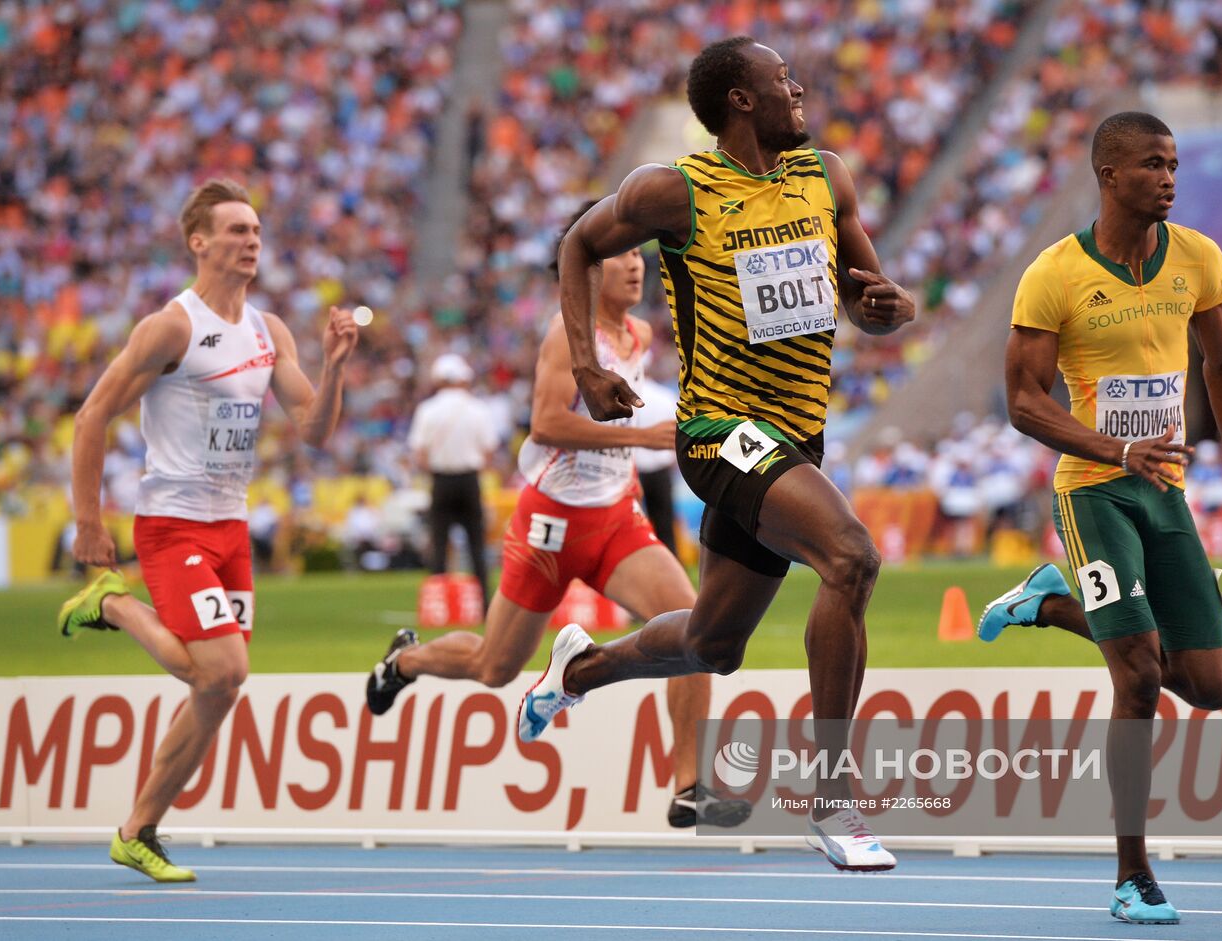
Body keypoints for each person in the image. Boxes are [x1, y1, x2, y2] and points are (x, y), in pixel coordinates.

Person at [516, 36, 915, 872]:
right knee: (850, 557)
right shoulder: (675, 190)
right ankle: (835, 802)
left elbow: (861, 289)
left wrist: (883, 305)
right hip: (718, 430)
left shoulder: (825, 176)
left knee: (713, 642)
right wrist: (586, 365)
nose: (798, 87)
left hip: (796, 431)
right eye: (782, 79)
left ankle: (578, 671)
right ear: (740, 98)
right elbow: (578, 245)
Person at [976, 112, 1222, 924]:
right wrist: (1116, 451)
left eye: (1175, 163)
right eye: (1153, 164)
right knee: (1141, 676)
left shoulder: (1199, 258)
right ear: (1110, 176)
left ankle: (1049, 601)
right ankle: (1131, 872)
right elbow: (1022, 401)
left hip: (1167, 489)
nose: (1170, 177)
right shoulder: (1054, 274)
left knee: (1211, 688)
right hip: (1094, 489)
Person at [365, 215, 751, 829]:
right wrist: (648, 434)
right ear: (587, 270)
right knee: (495, 668)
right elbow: (545, 424)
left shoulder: (640, 333)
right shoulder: (562, 336)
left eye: (638, 253)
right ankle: (404, 663)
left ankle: (689, 787)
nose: (635, 264)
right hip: (550, 523)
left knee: (697, 633)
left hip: (616, 518)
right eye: (620, 254)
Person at [55, 178, 359, 882]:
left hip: (231, 529)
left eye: (255, 231)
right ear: (199, 242)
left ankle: (138, 829)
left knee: (217, 689)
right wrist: (88, 521)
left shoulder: (269, 330)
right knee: (226, 668)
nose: (251, 241)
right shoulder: (173, 327)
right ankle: (113, 603)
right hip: (173, 525)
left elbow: (313, 429)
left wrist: (334, 368)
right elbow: (90, 416)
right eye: (235, 231)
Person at [409, 352, 499, 607]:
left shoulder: (427, 410)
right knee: (476, 544)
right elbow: (489, 451)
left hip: (441, 480)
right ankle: (483, 603)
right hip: (469, 480)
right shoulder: (478, 408)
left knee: (439, 544)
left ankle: (439, 603)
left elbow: (420, 453)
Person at [632, 369, 680, 553]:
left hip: (636, 471)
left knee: (636, 528)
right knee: (665, 526)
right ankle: (672, 565)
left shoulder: (626, 397)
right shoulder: (665, 395)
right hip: (661, 469)